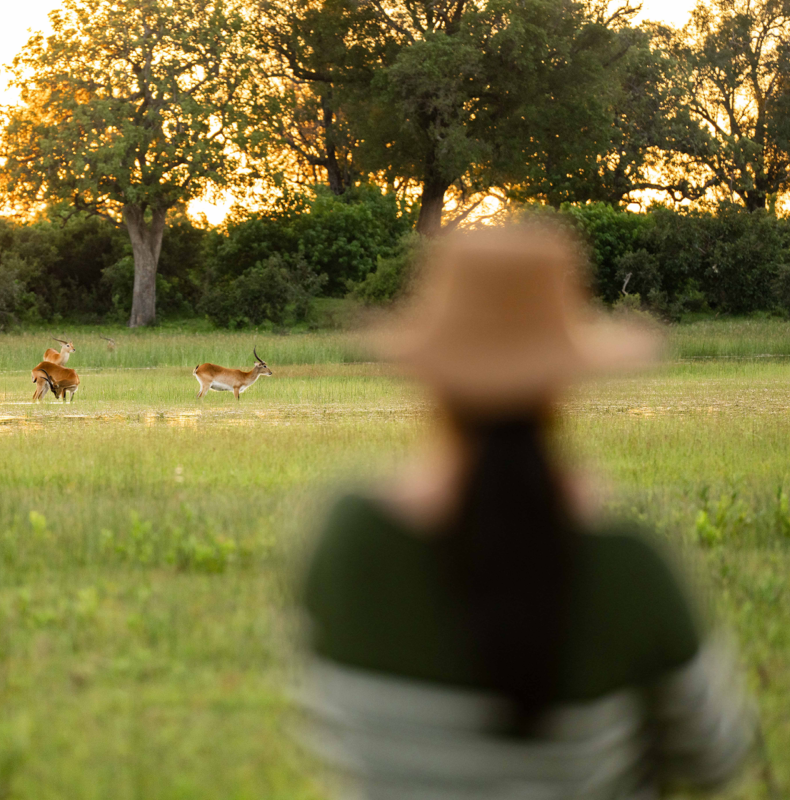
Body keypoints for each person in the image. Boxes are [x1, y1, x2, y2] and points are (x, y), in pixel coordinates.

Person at [298, 224, 754, 798]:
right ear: (562, 384)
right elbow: (714, 759)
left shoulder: (349, 541)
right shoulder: (628, 565)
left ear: (434, 383)